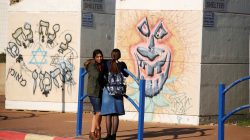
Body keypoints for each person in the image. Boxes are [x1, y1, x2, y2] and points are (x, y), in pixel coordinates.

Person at [101, 49, 129, 140]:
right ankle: (114, 136)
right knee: (115, 114)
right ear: (119, 56)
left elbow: (102, 73)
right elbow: (126, 75)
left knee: (108, 114)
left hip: (107, 91)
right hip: (118, 92)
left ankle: (108, 135)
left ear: (111, 55)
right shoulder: (122, 65)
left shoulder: (106, 64)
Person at [84, 49, 105, 140]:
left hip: (100, 91)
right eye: (97, 57)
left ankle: (93, 132)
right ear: (94, 57)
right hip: (93, 91)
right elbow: (97, 75)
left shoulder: (101, 64)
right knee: (99, 112)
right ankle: (96, 129)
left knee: (97, 113)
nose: (99, 58)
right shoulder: (91, 65)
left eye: (101, 56)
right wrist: (105, 78)